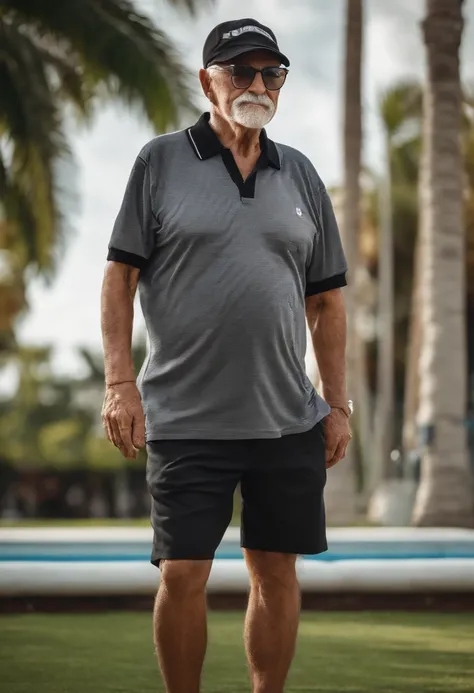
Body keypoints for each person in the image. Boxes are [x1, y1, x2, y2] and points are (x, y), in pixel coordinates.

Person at [101, 17, 352, 693]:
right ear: (206, 80)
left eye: (272, 73)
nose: (258, 85)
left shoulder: (299, 173)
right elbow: (119, 276)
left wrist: (338, 403)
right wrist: (120, 380)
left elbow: (328, 301)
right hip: (185, 416)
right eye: (241, 71)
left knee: (277, 571)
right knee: (182, 572)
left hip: (287, 420)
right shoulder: (159, 162)